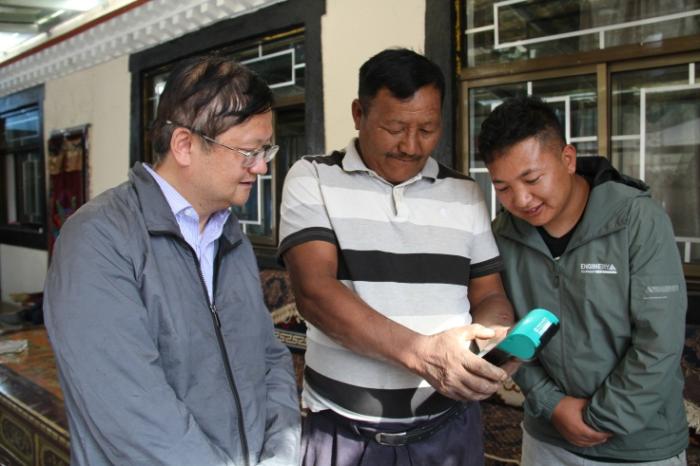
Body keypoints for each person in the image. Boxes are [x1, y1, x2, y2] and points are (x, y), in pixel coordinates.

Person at [44, 56, 300, 466]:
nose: (262, 166)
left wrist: (282, 453)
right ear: (184, 145)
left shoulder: (230, 235)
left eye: (265, 149)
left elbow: (269, 358)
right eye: (248, 151)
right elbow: (130, 413)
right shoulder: (98, 238)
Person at [278, 48, 515, 466]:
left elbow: (490, 295)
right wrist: (424, 354)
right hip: (346, 435)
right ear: (359, 113)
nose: (411, 145)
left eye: (427, 129)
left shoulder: (465, 193)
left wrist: (493, 338)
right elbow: (314, 293)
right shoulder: (312, 177)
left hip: (450, 430)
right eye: (395, 128)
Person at [479, 95, 688, 466]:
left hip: (641, 447)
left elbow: (659, 339)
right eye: (503, 187)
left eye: (532, 179)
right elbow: (511, 334)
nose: (522, 199)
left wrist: (598, 420)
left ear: (568, 159)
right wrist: (552, 404)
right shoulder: (502, 235)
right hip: (546, 439)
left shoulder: (635, 220)